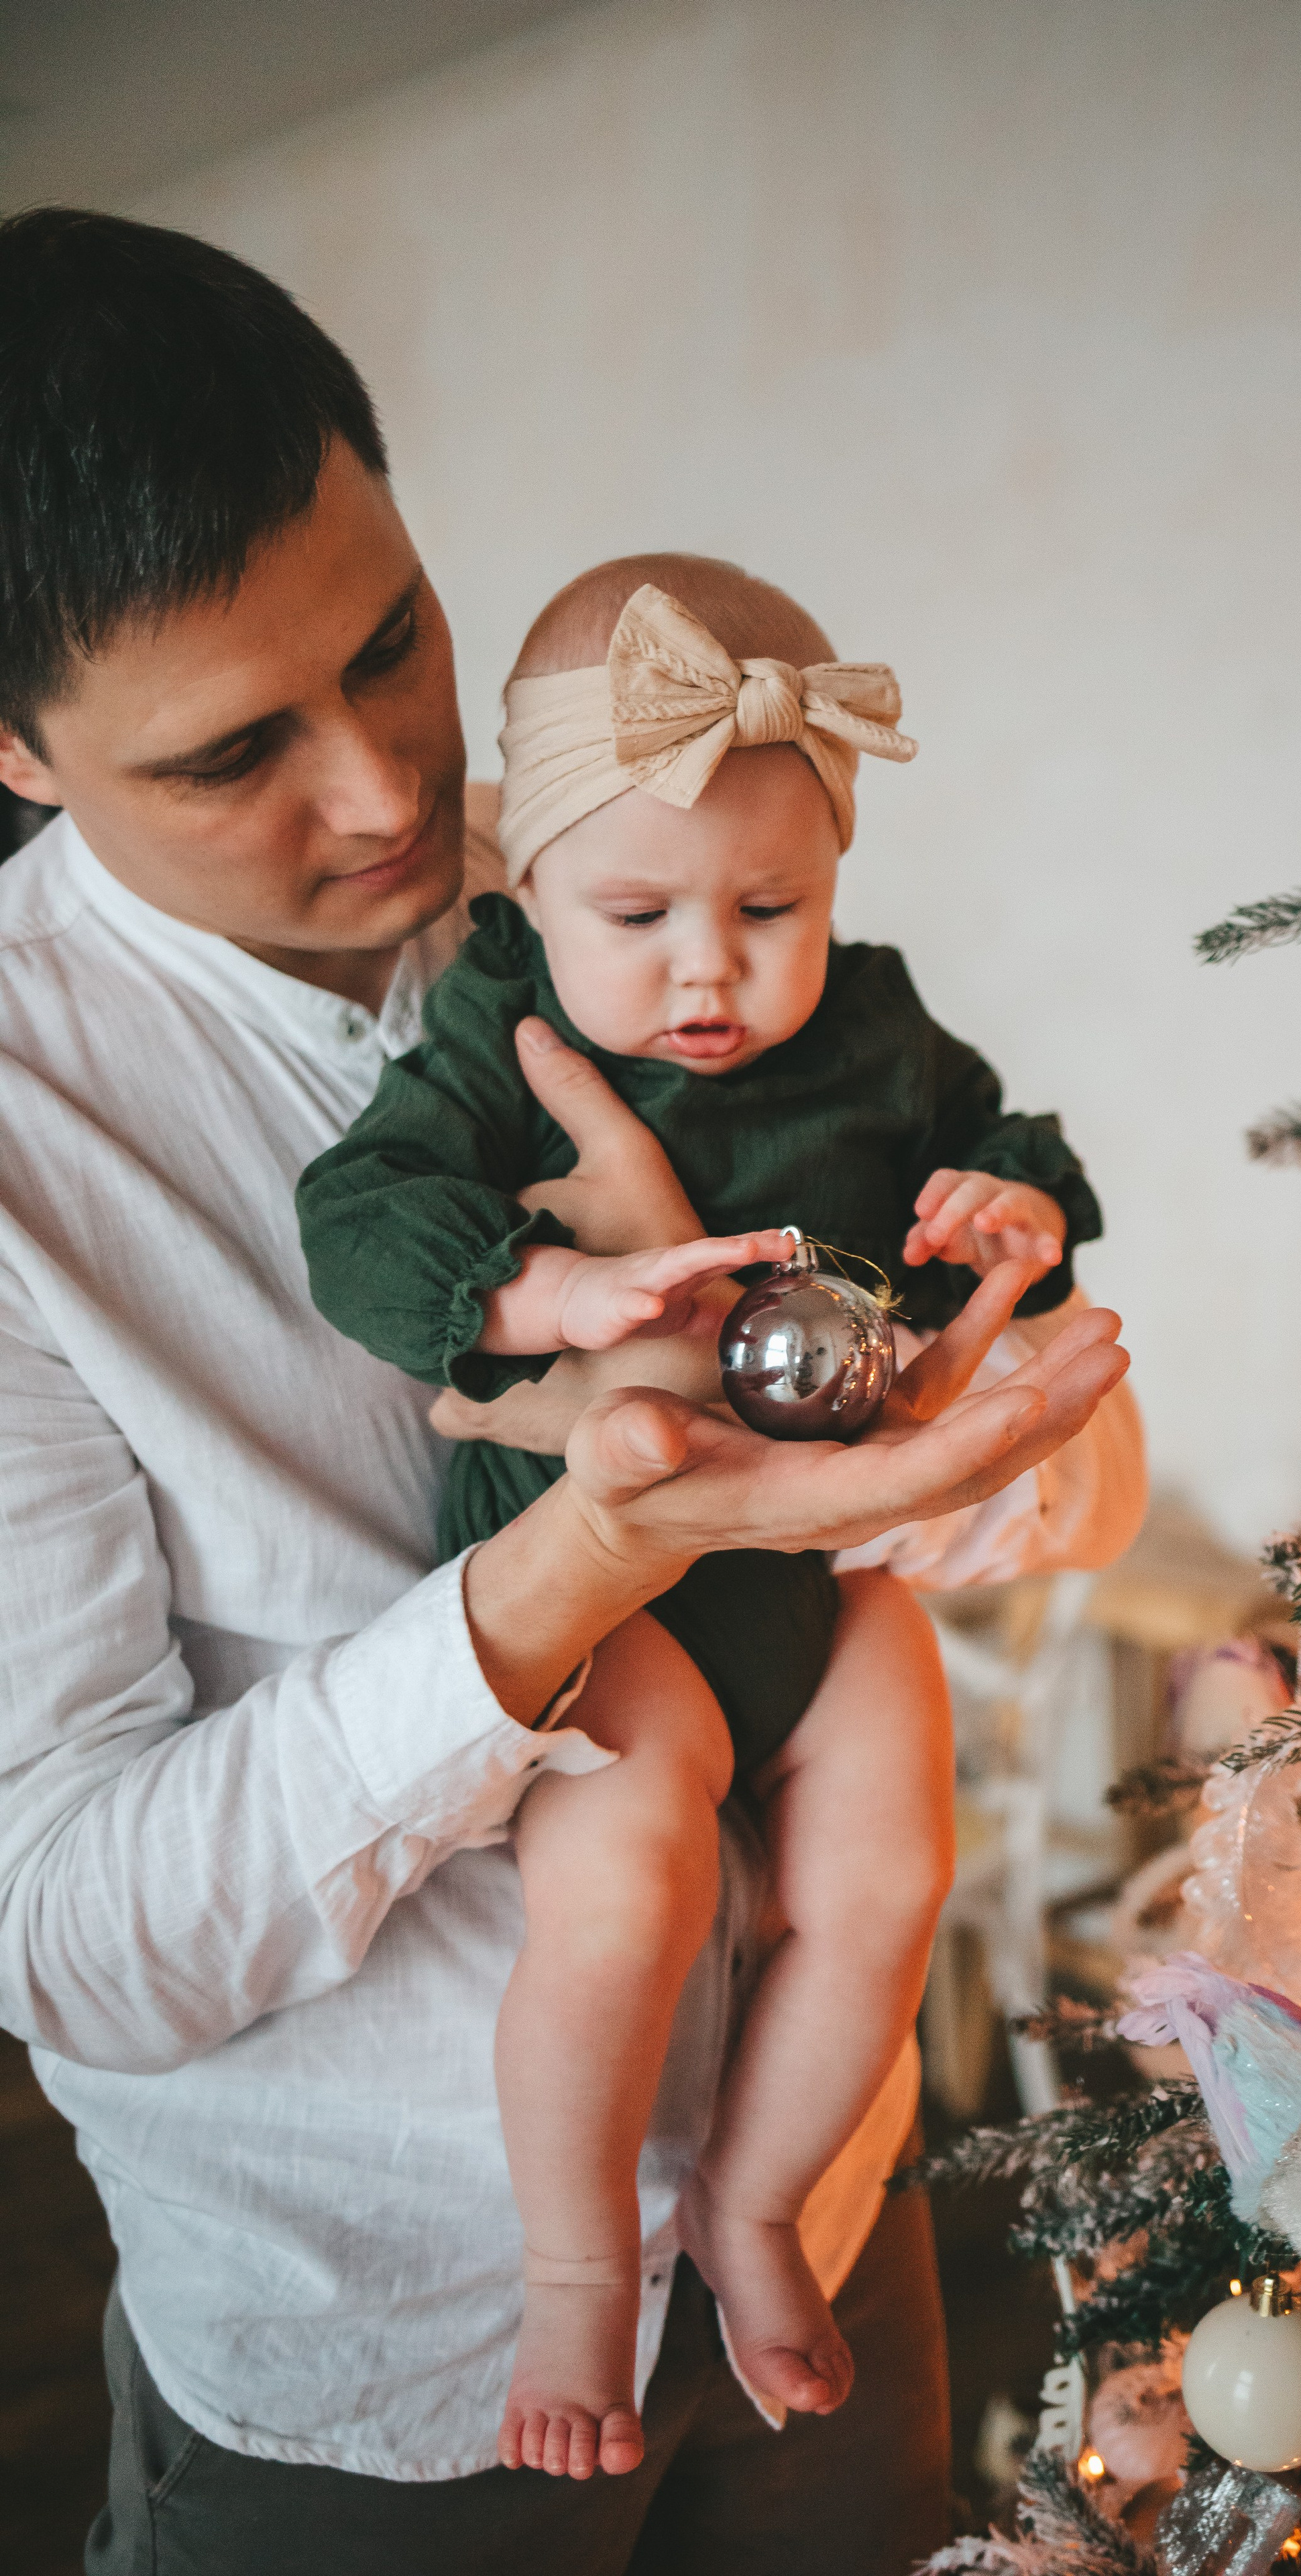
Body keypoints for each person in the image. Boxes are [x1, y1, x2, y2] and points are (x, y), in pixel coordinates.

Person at [0, 207, 1139, 2575]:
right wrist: (593, 1541)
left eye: (392, 642)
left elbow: (1071, 1486)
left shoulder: (641, 882)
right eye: (235, 754)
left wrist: (848, 1373)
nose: (392, 794)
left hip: (820, 2213)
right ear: (16, 747)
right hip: (382, 2361)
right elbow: (78, 1944)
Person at [296, 557, 1105, 2477]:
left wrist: (1014, 1214)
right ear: (533, 891)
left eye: (772, 908)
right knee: (627, 1881)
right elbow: (362, 1215)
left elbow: (1007, 1144)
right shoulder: (504, 1031)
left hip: (819, 1577)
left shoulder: (881, 1035)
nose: (710, 969)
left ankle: (753, 2209)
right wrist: (542, 1296)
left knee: (894, 1874)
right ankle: (580, 2276)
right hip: (619, 1590)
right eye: (638, 913)